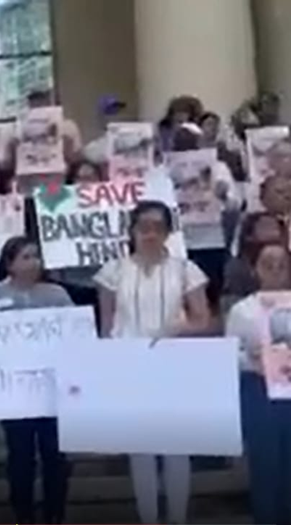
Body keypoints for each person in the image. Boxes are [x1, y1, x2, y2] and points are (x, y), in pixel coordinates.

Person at [94, 200, 211, 525]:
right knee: (140, 447)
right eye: (142, 227)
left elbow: (204, 320)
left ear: (168, 233)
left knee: (176, 445)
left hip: (175, 363)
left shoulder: (186, 269)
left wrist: (179, 329)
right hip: (128, 365)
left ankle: (177, 518)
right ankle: (148, 519)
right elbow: (106, 326)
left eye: (157, 227)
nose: (149, 234)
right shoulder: (112, 271)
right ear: (131, 231)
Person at [0, 236, 73, 524]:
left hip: (53, 391)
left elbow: (75, 337)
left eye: (36, 256)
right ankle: (23, 516)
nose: (33, 262)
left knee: (55, 456)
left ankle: (55, 515)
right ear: (9, 263)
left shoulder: (57, 295)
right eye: (25, 257)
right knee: (20, 457)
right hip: (13, 392)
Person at [225, 241, 291, 525]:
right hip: (259, 390)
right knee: (266, 463)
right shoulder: (242, 310)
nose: (275, 271)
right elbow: (230, 354)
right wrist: (252, 360)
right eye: (268, 265)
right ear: (255, 270)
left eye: (281, 265)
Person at [169, 125, 240, 307]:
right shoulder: (164, 169)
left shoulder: (219, 168)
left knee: (211, 296)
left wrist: (223, 195)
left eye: (190, 138)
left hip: (211, 241)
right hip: (176, 243)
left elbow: (235, 205)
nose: (185, 143)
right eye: (180, 138)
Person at [221, 212, 288, 315]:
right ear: (249, 234)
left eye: (275, 226)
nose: (273, 230)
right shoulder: (237, 267)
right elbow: (231, 303)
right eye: (266, 226)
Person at [82, 95, 129, 164]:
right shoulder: (92, 150)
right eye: (110, 112)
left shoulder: (134, 141)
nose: (116, 115)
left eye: (118, 111)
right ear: (101, 117)